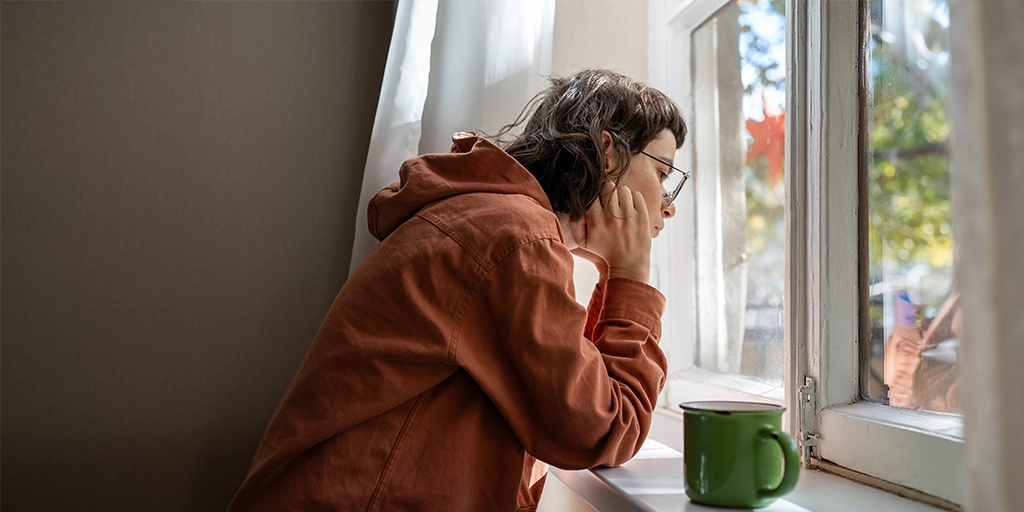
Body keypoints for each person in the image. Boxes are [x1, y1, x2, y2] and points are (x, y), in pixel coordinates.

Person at [227, 69, 688, 511]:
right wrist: (631, 276)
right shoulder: (514, 239)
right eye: (664, 174)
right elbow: (602, 427)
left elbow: (572, 395)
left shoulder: (493, 221)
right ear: (608, 154)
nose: (667, 208)